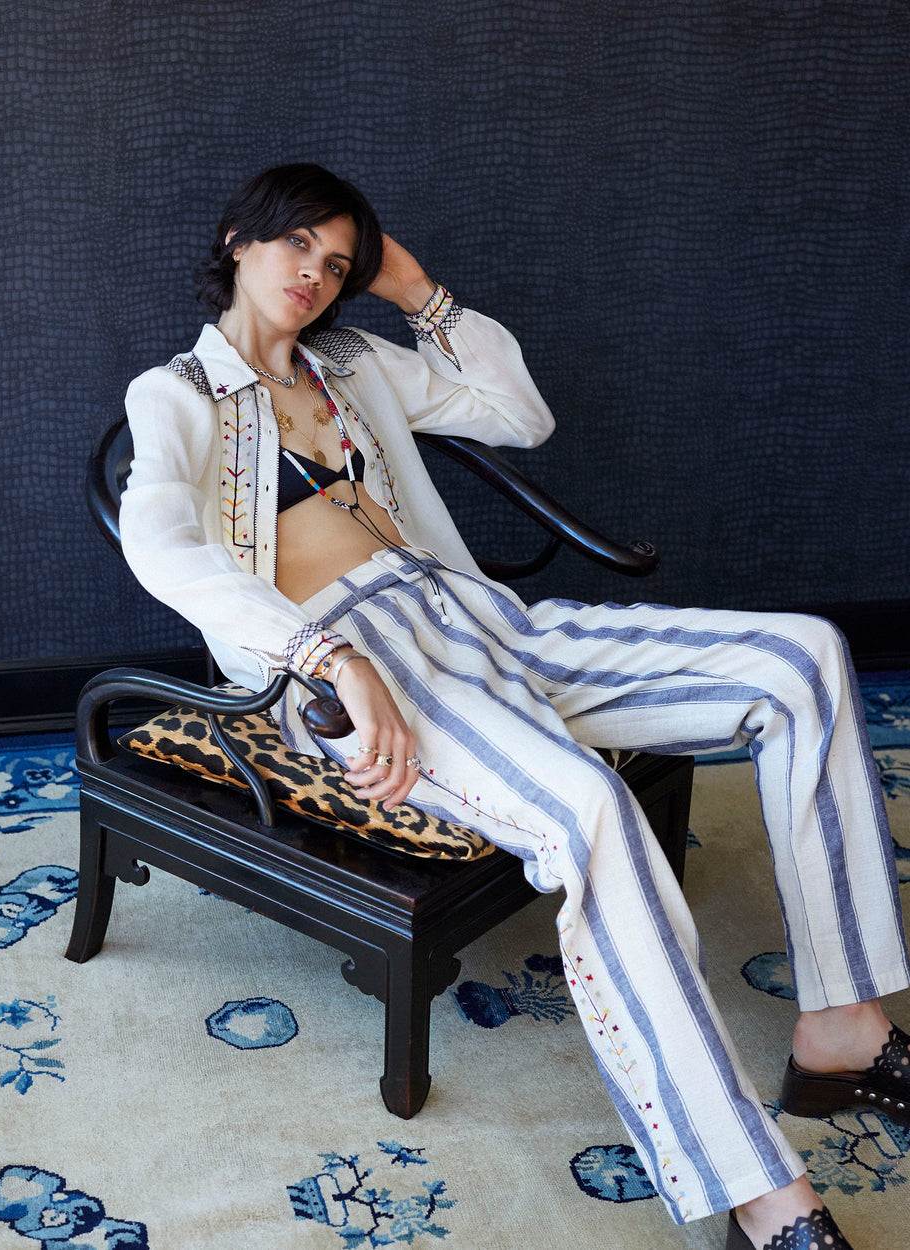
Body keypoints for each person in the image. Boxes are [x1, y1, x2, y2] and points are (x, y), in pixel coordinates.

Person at [119, 163, 910, 1250]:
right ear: (238, 241)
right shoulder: (175, 394)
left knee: (803, 655)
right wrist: (330, 656)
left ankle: (843, 1024)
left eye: (337, 260)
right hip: (360, 664)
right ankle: (755, 1191)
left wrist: (413, 291)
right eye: (298, 242)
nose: (315, 271)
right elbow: (158, 543)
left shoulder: (356, 362)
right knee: (587, 809)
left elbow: (516, 415)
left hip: (481, 619)